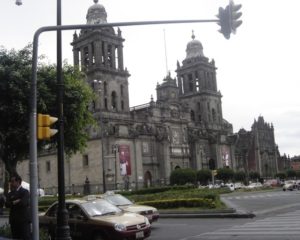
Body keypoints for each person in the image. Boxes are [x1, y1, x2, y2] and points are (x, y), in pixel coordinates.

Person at [5, 174, 31, 240]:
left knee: (25, 237)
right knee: (15, 238)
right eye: (11, 181)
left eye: (13, 181)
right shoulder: (10, 193)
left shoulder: (25, 191)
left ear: (18, 181)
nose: (11, 183)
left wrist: (13, 202)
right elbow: (7, 204)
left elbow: (23, 203)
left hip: (23, 221)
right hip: (14, 221)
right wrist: (16, 201)